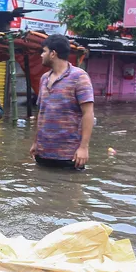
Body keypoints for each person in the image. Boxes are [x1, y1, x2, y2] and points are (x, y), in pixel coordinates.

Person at [30, 34, 93, 170]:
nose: (41, 55)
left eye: (44, 51)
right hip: (43, 152)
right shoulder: (44, 78)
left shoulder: (79, 77)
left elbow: (88, 114)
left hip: (68, 155)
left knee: (68, 189)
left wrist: (83, 147)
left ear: (53, 54)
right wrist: (35, 142)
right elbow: (41, 112)